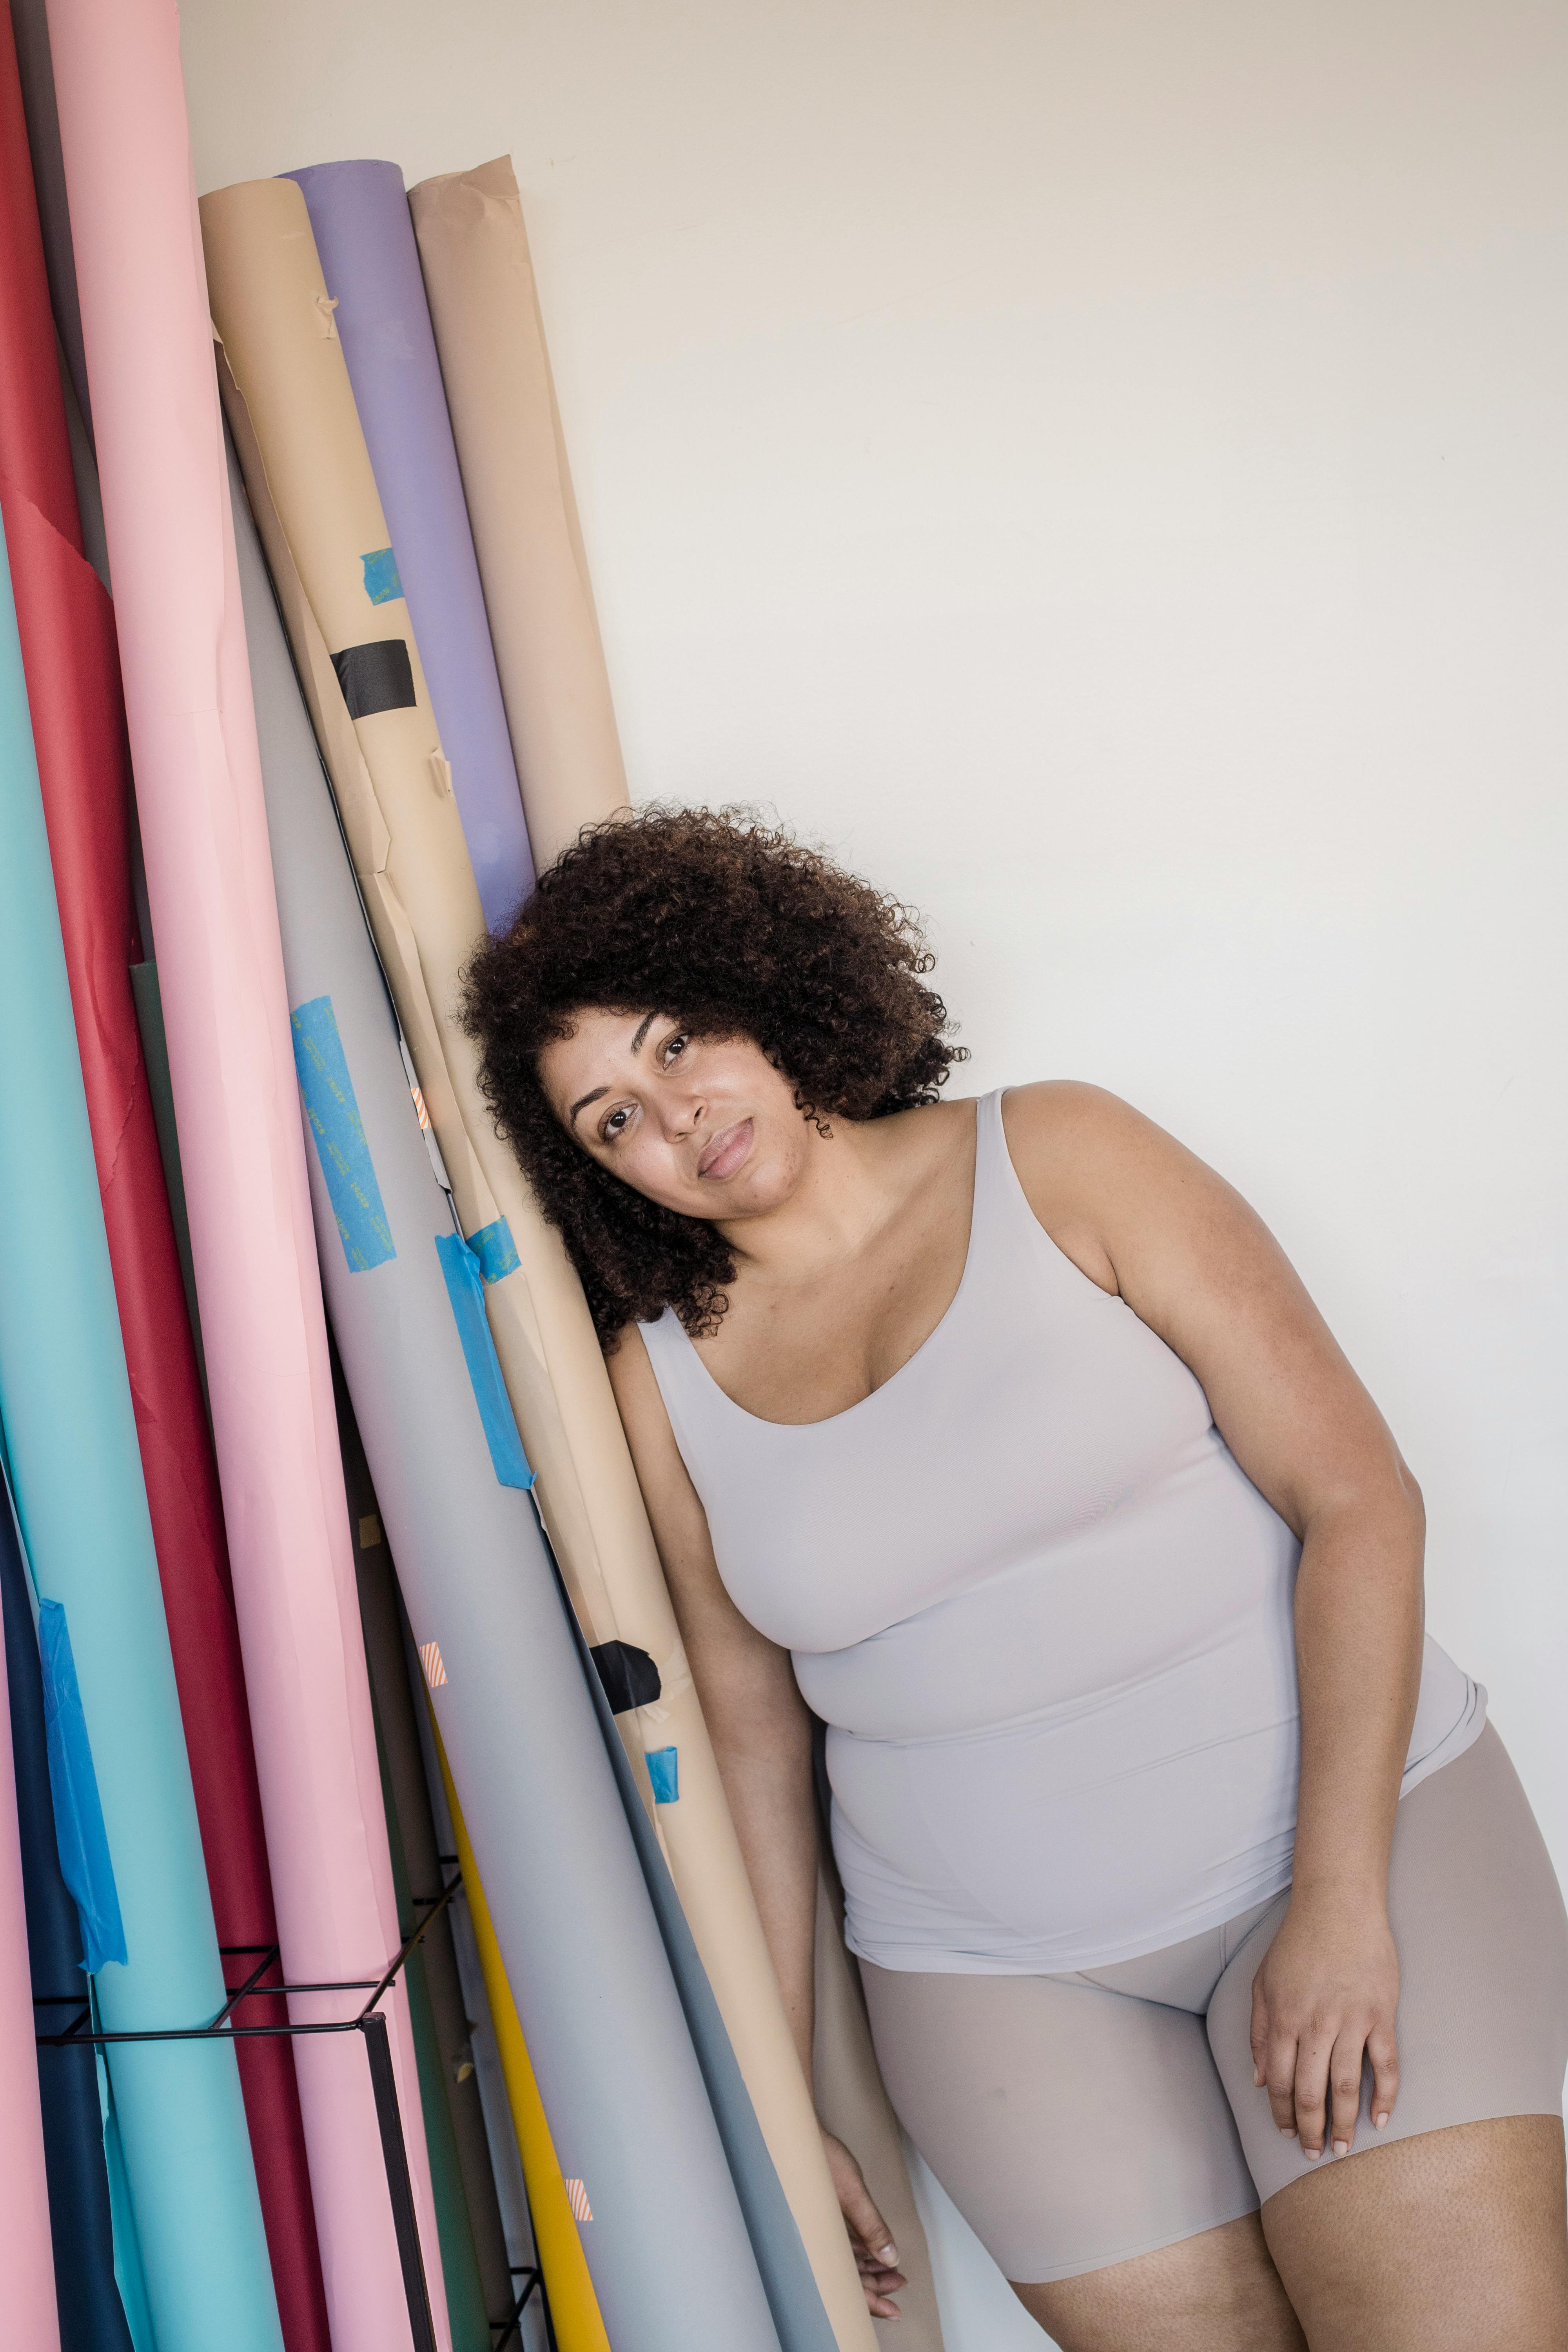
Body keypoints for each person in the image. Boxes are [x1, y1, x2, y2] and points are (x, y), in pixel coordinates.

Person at [463, 808, 1568, 2351]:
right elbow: (754, 1747)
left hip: (1346, 1854)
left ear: (758, 986)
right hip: (993, 1984)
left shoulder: (1060, 1150)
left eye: (676, 1042)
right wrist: (780, 2102)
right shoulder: (657, 1391)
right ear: (600, 1181)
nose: (672, 1113)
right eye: (609, 1120)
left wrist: (1338, 1900)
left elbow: (1358, 1500)